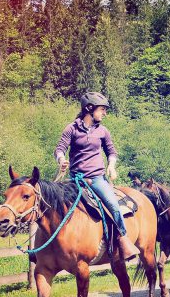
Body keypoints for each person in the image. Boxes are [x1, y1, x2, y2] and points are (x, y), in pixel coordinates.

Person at [55, 92, 140, 261]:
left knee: (113, 205)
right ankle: (43, 250)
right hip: (75, 179)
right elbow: (60, 148)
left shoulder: (103, 131)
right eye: (102, 110)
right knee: (50, 203)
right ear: (89, 109)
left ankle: (123, 239)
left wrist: (112, 166)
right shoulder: (71, 128)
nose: (104, 113)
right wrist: (62, 160)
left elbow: (111, 151)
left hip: (96, 179)